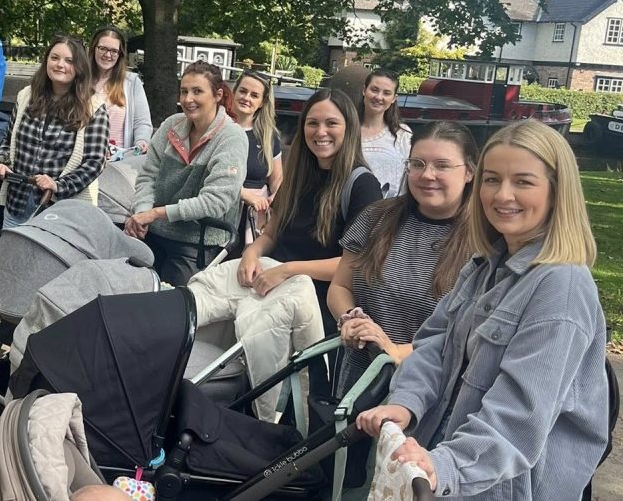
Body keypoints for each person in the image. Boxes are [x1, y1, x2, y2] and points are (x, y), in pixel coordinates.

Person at [357, 120, 608, 500]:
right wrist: (406, 402)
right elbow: (434, 346)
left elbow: (518, 416)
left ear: (557, 193)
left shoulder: (561, 289)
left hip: (502, 487)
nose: (502, 195)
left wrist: (445, 466)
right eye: (492, 180)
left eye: (523, 181)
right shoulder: (484, 265)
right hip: (442, 465)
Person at [325, 121, 477, 489]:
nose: (428, 175)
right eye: (418, 164)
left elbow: (465, 335)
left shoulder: (483, 243)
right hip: (359, 385)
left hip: (428, 403)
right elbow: (340, 286)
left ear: (470, 171)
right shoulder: (376, 217)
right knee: (344, 485)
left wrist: (396, 350)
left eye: (442, 165)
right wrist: (349, 318)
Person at [224, 88, 382, 400]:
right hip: (271, 299)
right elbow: (273, 232)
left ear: (348, 128)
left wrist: (287, 271)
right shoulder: (297, 175)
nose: (320, 132)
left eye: (331, 124)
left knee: (298, 402)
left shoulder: (363, 186)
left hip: (319, 315)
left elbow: (355, 264)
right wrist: (252, 251)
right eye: (312, 123)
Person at [125, 60, 248, 286]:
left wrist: (156, 214)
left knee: (168, 304)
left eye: (197, 91)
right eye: (183, 91)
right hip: (154, 232)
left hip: (196, 242)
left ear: (218, 94)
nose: (188, 99)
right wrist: (142, 212)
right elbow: (147, 176)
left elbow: (216, 202)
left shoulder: (232, 138)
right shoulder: (171, 125)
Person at [0, 36, 109, 228]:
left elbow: (94, 162)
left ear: (79, 67)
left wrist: (58, 185)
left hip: (60, 211)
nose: (60, 65)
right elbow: (9, 140)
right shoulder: (26, 95)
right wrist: (0, 162)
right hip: (17, 202)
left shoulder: (93, 107)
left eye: (69, 61)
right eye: (55, 58)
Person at [232, 71, 282, 249]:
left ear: (262, 102)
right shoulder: (219, 129)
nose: (246, 98)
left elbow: (276, 179)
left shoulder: (269, 136)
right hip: (223, 212)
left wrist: (276, 197)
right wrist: (244, 194)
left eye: (254, 95)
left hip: (255, 219)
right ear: (234, 92)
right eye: (243, 91)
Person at [87, 26, 152, 155]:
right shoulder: (80, 80)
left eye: (113, 51)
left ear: (120, 54)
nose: (107, 55)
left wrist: (141, 141)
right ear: (94, 48)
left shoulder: (131, 82)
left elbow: (142, 122)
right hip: (86, 159)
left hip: (119, 160)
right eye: (103, 49)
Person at [359, 69, 412, 198]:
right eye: (374, 90)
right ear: (364, 90)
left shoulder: (403, 135)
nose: (378, 97)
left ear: (394, 98)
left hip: (392, 211)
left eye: (386, 93)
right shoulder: (347, 129)